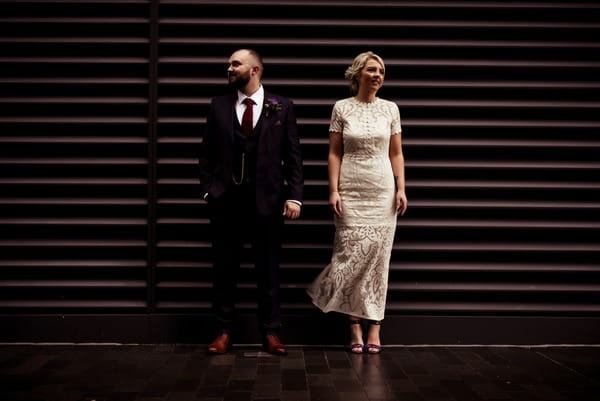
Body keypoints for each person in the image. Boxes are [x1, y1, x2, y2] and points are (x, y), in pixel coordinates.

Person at [198, 48, 303, 355]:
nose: (229, 68)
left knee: (268, 271)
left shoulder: (281, 106)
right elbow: (206, 153)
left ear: (254, 70)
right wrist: (208, 190)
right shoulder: (218, 106)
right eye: (229, 64)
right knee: (224, 271)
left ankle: (270, 332)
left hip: (267, 203)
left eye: (235, 64)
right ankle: (223, 331)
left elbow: (293, 156)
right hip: (226, 203)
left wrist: (295, 196)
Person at [307, 51, 407, 354]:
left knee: (378, 261)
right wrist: (333, 190)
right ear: (357, 74)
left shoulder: (391, 109)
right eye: (371, 70)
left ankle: (374, 323)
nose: (377, 75)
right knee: (349, 255)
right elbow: (334, 153)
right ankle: (353, 324)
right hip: (351, 190)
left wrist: (401, 188)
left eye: (382, 71)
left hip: (382, 191)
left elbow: (396, 154)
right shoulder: (341, 108)